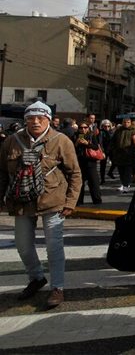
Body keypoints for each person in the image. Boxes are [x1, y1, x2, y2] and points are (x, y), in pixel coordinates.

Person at [0, 101, 82, 308]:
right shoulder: (12, 141)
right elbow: (2, 174)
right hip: (21, 201)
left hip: (52, 200)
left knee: (54, 247)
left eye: (40, 118)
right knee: (23, 246)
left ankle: (58, 287)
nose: (35, 122)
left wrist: (71, 202)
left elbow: (75, 174)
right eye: (30, 118)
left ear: (47, 119)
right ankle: (36, 278)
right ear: (25, 119)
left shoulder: (61, 141)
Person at [74, 121, 103, 205]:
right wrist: (76, 143)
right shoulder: (75, 136)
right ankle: (79, 201)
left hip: (91, 161)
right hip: (79, 161)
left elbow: (96, 147)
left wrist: (87, 144)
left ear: (88, 128)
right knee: (80, 182)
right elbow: (71, 148)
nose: (83, 129)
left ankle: (97, 200)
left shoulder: (91, 135)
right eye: (81, 128)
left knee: (93, 182)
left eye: (85, 127)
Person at [110, 118, 134, 193]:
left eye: (128, 122)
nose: (126, 123)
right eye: (124, 122)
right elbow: (113, 141)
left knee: (128, 171)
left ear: (130, 123)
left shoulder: (133, 131)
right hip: (119, 154)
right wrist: (113, 150)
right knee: (121, 171)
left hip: (129, 155)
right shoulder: (118, 131)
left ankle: (126, 185)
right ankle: (123, 184)